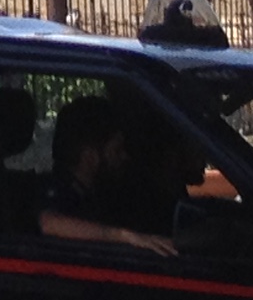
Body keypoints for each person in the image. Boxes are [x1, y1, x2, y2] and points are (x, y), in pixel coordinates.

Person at [40, 94, 178, 256]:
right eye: (117, 150)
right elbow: (49, 223)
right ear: (89, 155)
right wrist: (123, 236)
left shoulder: (101, 192)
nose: (124, 156)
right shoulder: (58, 188)